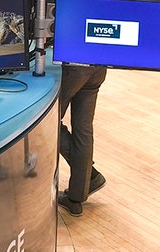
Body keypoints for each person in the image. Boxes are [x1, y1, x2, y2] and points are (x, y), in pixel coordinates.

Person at [57, 64, 108, 217]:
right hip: (99, 66)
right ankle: (76, 196)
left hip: (74, 67)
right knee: (83, 129)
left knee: (48, 121)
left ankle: (90, 176)